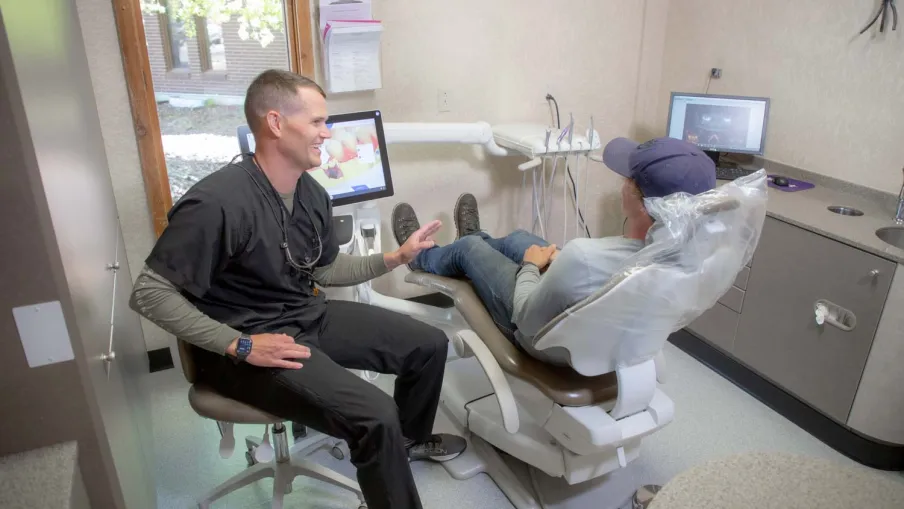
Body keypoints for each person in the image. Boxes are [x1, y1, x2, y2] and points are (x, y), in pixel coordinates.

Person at [129, 69, 465, 509]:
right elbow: (149, 293)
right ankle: (389, 461)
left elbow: (324, 269)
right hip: (245, 345)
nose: (327, 133)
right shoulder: (216, 203)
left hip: (304, 315)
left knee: (428, 345)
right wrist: (240, 345)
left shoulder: (312, 194)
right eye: (317, 122)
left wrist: (395, 257)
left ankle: (403, 446)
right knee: (375, 414)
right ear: (275, 123)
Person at [390, 137, 716, 360]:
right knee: (519, 238)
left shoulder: (585, 257)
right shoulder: (690, 257)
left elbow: (525, 316)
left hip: (543, 340)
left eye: (627, 179)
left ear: (641, 204)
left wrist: (532, 267)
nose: (622, 184)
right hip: (596, 331)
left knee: (470, 249)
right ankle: (475, 241)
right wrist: (564, 267)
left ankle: (422, 257)